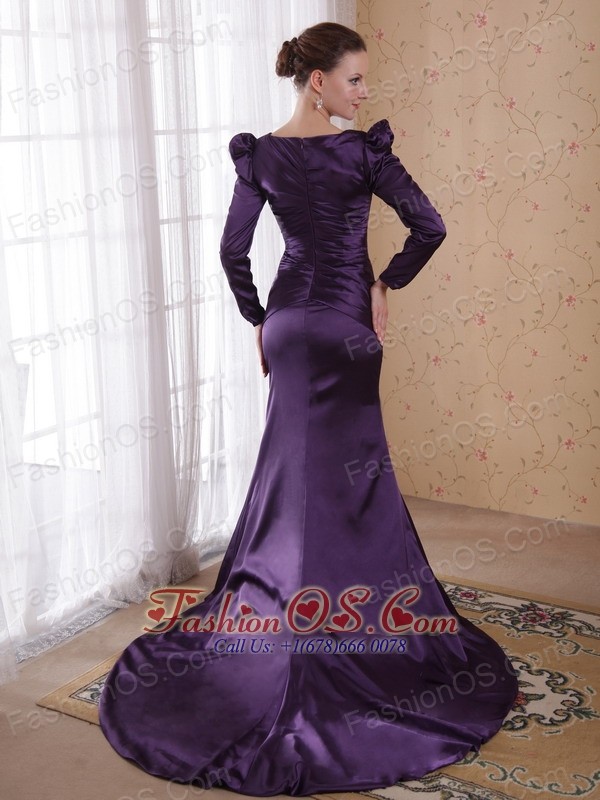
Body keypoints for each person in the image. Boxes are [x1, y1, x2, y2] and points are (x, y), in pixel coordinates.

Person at [98, 21, 519, 795]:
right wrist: (384, 282)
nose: (365, 91)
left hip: (290, 326)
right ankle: (361, 627)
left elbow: (232, 251)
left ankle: (278, 618)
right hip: (346, 327)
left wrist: (259, 319)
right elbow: (430, 225)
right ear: (318, 81)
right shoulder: (363, 154)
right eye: (355, 79)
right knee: (354, 482)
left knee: (293, 478)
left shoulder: (260, 155)